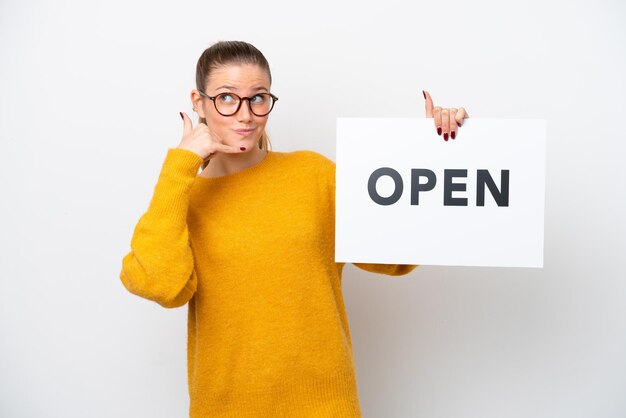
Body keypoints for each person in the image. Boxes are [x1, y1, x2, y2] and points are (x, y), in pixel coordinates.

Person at [119, 40, 469, 418]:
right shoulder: (183, 199)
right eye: (226, 98)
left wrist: (439, 151)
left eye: (258, 98)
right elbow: (160, 285)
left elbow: (395, 258)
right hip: (224, 408)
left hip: (325, 406)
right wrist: (179, 165)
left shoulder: (314, 176)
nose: (245, 115)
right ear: (199, 102)